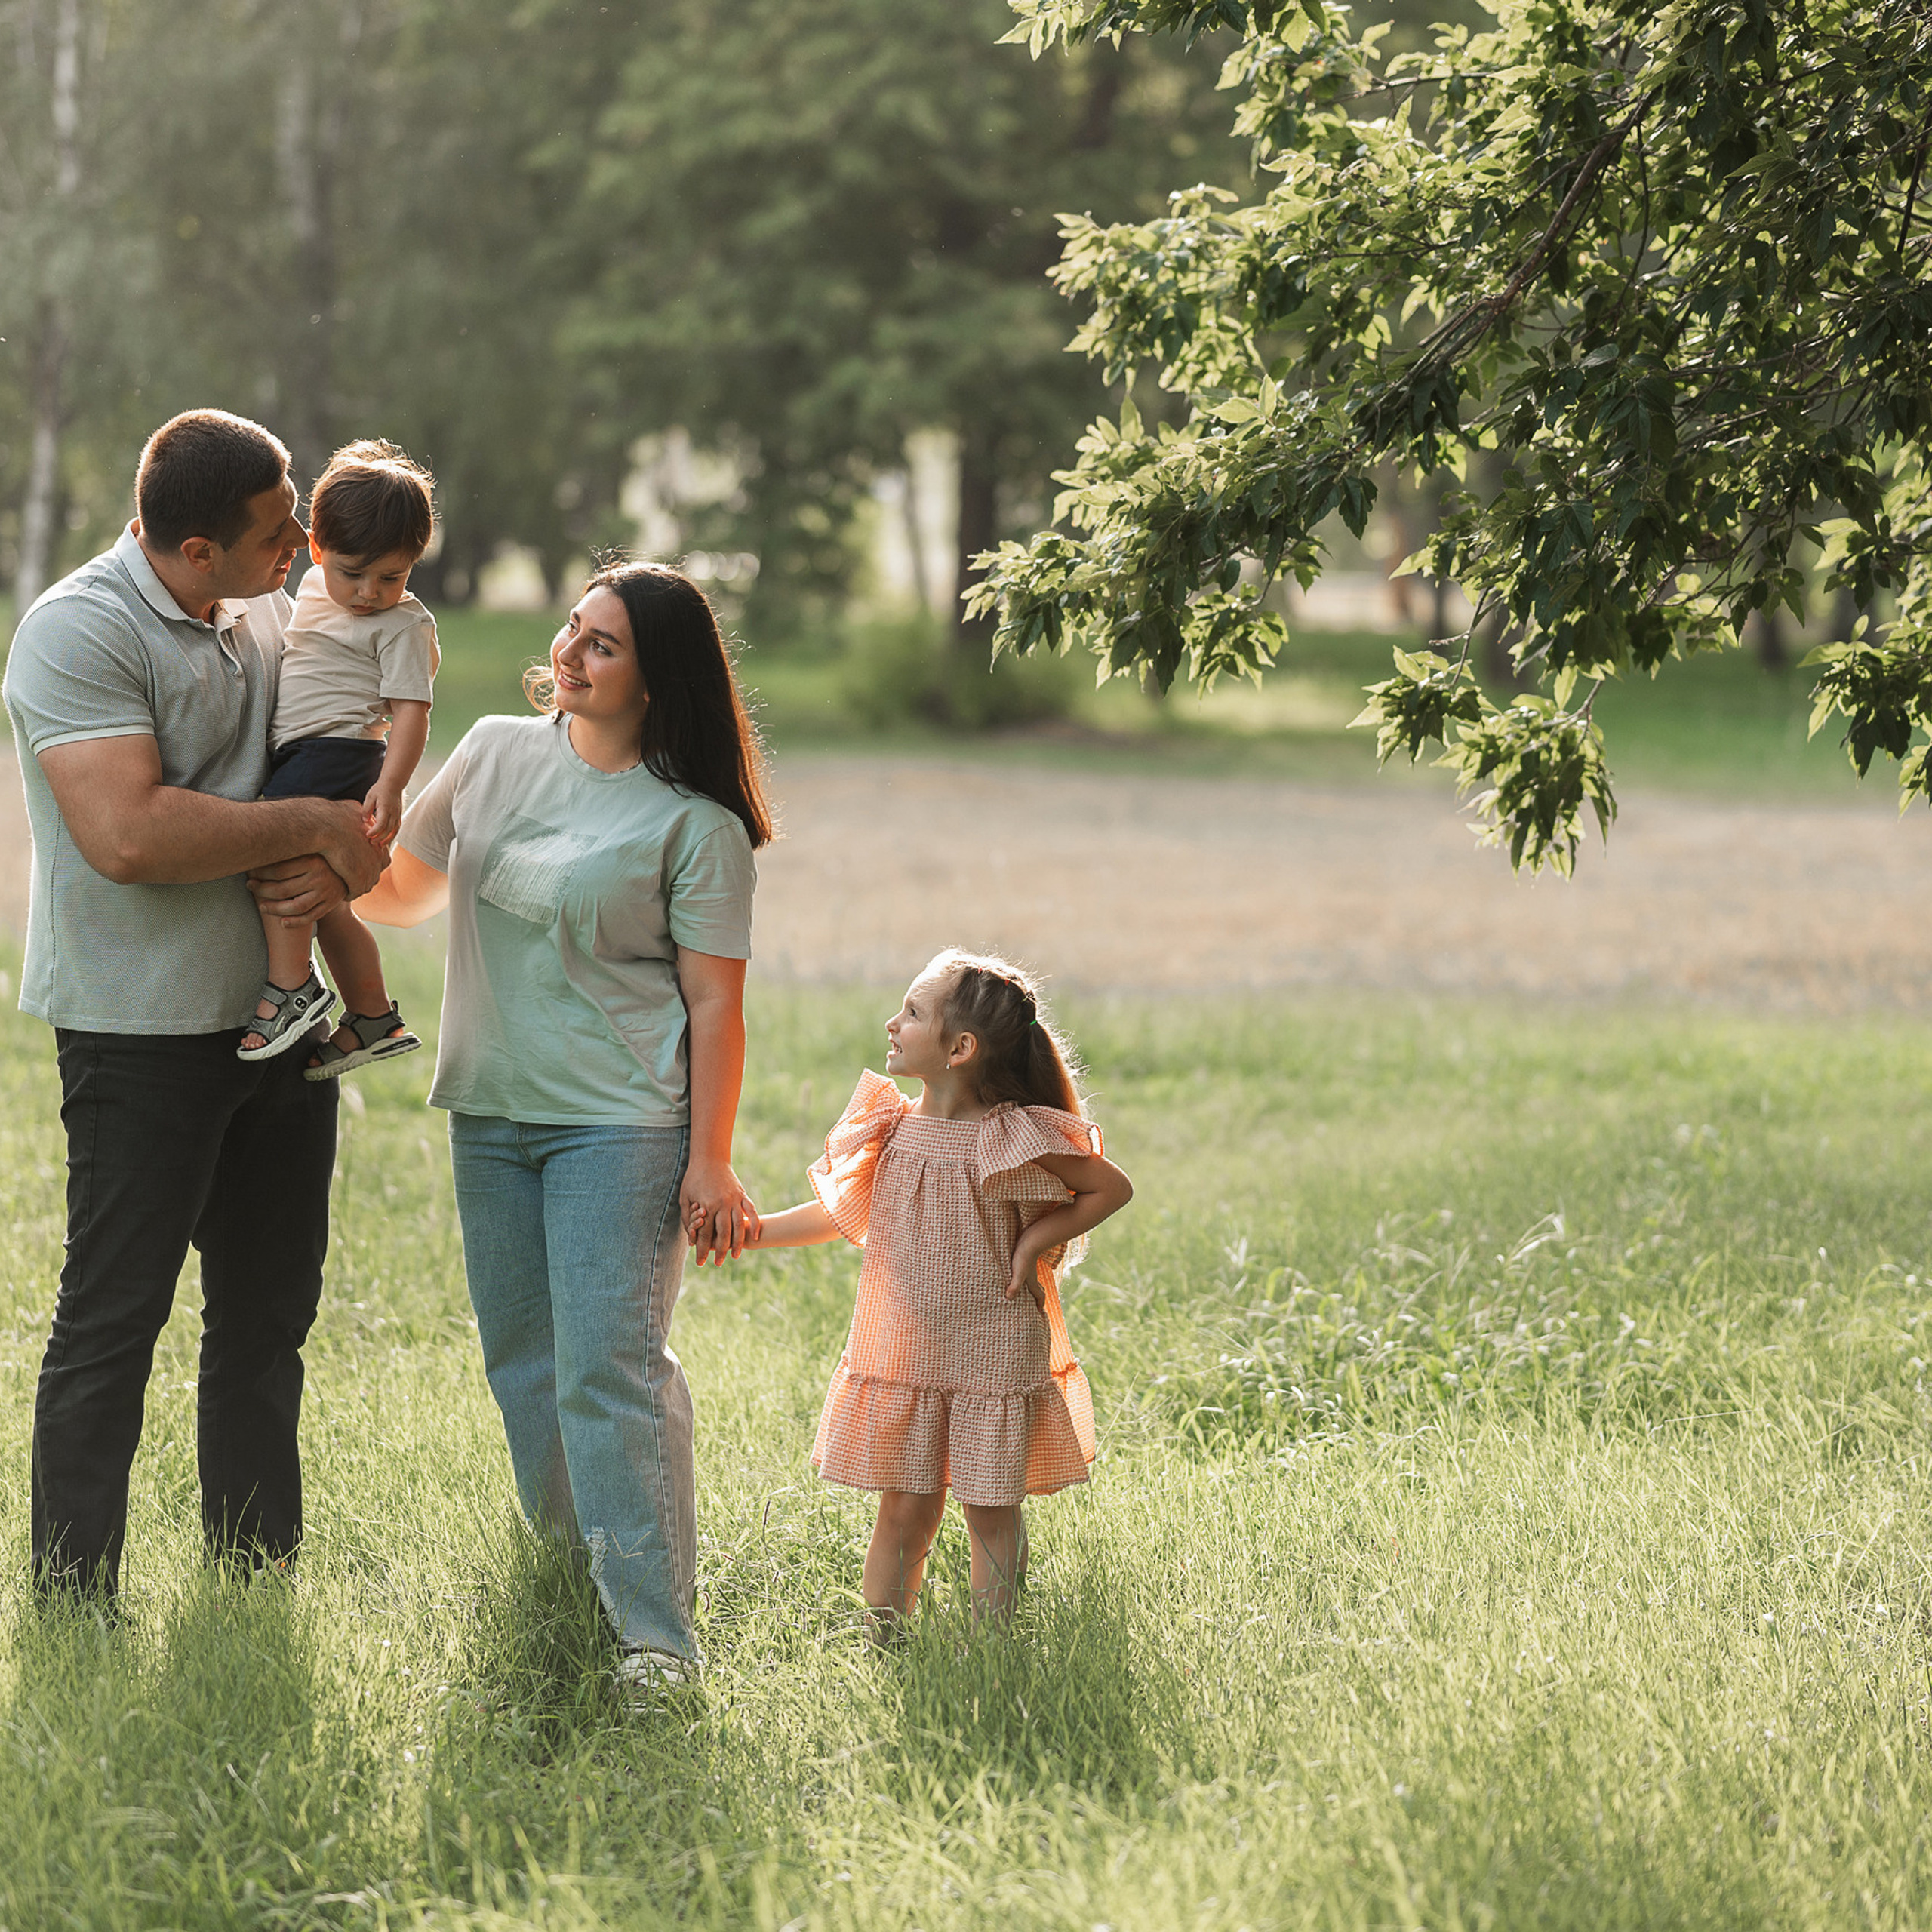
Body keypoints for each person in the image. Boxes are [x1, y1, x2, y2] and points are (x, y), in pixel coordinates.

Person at [352, 558, 771, 1700]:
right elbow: (403, 889)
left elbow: (716, 1006)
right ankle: (575, 1586)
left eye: (604, 646)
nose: (572, 656)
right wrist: (318, 844)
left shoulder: (697, 823)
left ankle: (658, 1642)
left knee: (611, 1374)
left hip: (621, 1123)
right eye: (574, 632)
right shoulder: (495, 750)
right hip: (490, 1106)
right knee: (526, 1369)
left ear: (657, 677)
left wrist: (712, 1156)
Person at [0, 407, 386, 1600]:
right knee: (115, 1319)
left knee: (269, 1315)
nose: (302, 555)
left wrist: (359, 827)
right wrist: (315, 827)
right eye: (280, 534)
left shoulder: (263, 609)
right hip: (140, 1030)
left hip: (281, 1024)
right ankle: (74, 1598)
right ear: (199, 548)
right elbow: (126, 835)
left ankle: (255, 1574)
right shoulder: (77, 630)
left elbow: (348, 744)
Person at [744, 949, 1133, 1632]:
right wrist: (755, 1233)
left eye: (913, 1013)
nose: (893, 1023)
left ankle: (992, 1646)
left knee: (989, 1507)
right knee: (904, 1504)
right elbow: (840, 1215)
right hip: (910, 1353)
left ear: (960, 1048)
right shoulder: (890, 1127)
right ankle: (882, 1633)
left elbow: (1110, 1186)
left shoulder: (1012, 1133)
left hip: (995, 1344)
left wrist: (1033, 1242)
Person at [236, 439, 440, 1078]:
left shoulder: (404, 625)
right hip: (306, 749)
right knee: (329, 906)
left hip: (340, 750)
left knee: (277, 865)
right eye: (353, 573)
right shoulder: (309, 589)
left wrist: (393, 784)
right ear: (316, 547)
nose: (369, 593)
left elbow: (411, 711)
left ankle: (290, 986)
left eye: (392, 577)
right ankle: (373, 1016)